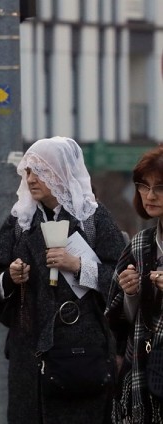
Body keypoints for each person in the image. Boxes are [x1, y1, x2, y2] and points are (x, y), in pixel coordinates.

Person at [0, 136, 124, 423]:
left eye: (39, 171)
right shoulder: (20, 221)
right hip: (29, 361)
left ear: (60, 173)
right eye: (28, 172)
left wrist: (79, 265)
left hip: (80, 358)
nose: (31, 179)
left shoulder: (93, 219)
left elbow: (121, 282)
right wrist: (9, 278)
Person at [106, 145, 163, 422]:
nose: (150, 196)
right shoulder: (140, 244)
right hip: (145, 371)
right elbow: (121, 322)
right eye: (144, 186)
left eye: (160, 188)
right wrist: (130, 294)